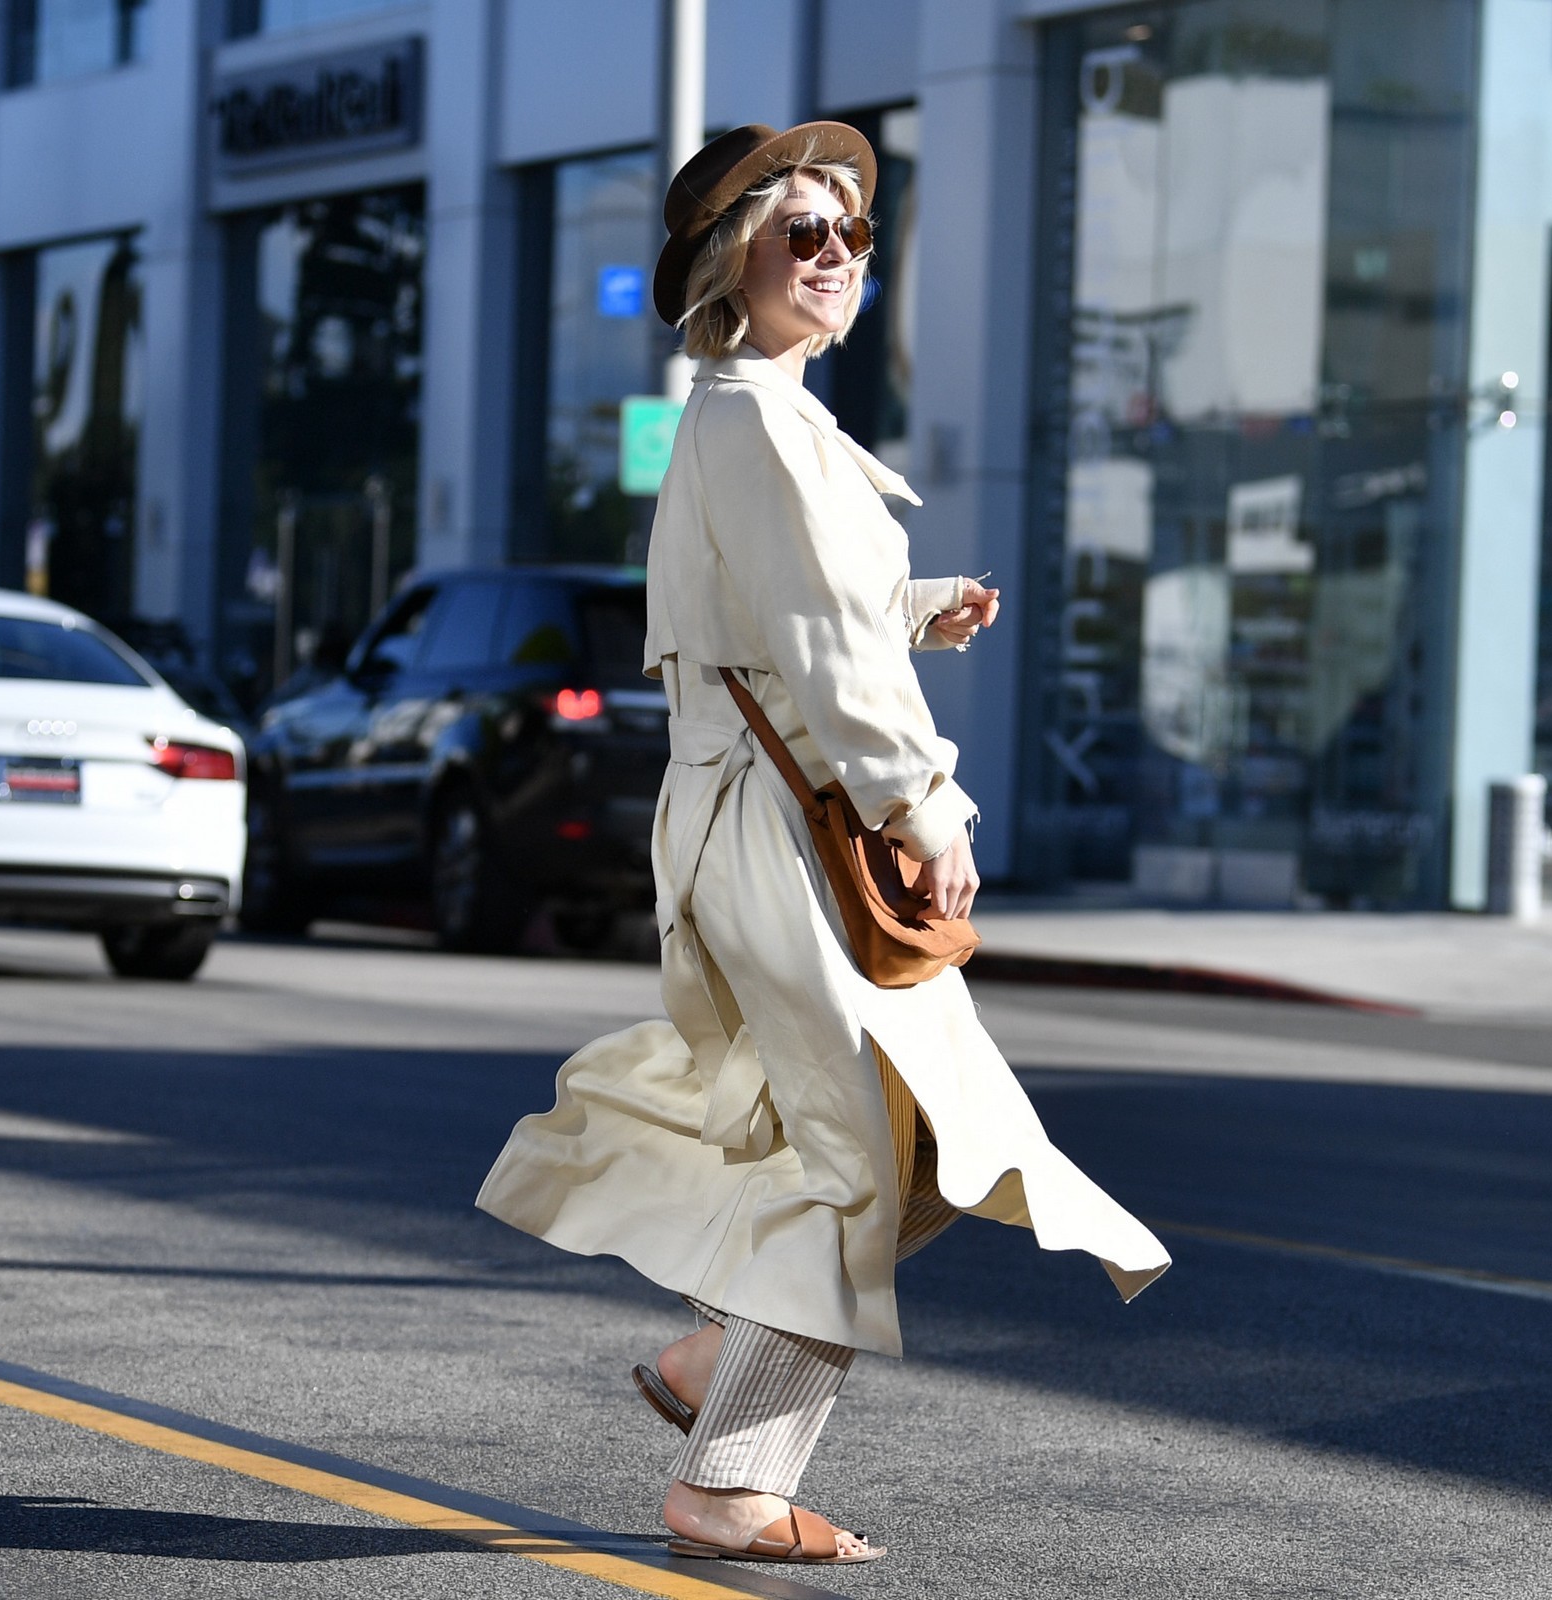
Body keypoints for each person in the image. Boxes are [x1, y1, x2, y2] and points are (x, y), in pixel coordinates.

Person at [476, 122, 1170, 1568]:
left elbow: (796, 612)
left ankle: (716, 1358)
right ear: (734, 260)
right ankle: (730, 1483)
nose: (838, 254)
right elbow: (813, 649)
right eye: (804, 232)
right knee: (867, 1150)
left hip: (778, 819)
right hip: (778, 828)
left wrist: (916, 609)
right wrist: (927, 803)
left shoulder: (771, 421)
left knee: (912, 1141)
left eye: (852, 232)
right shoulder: (745, 417)